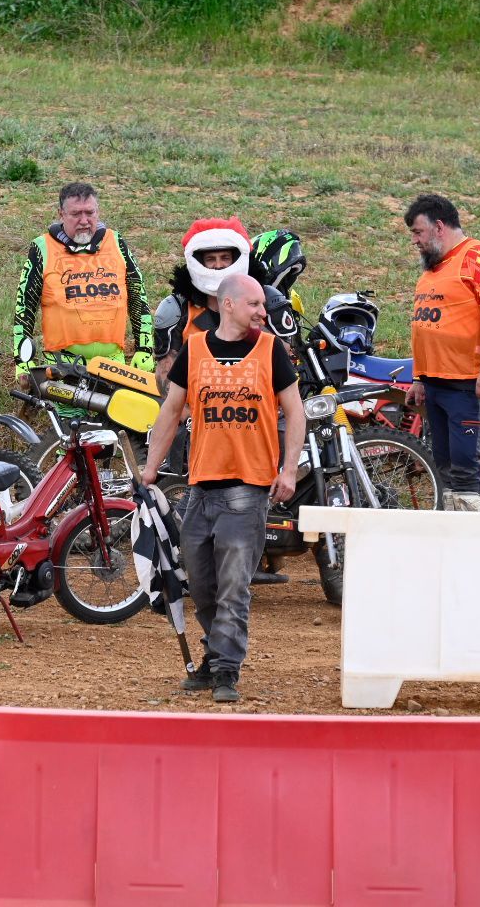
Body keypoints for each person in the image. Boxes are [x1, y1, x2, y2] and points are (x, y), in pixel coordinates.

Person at [142, 274, 306, 704]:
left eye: (262, 305)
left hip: (248, 489)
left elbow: (296, 412)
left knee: (234, 586)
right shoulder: (194, 349)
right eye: (254, 304)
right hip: (201, 487)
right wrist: (150, 470)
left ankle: (225, 669)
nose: (262, 312)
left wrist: (289, 470)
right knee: (201, 585)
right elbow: (171, 411)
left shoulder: (270, 350)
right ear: (228, 304)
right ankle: (216, 654)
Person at [402, 193, 480, 512]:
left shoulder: (477, 257)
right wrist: (419, 378)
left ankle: (471, 528)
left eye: (418, 232)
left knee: (465, 467)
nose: (414, 240)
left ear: (439, 227)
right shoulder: (432, 270)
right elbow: (423, 329)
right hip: (434, 384)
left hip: (466, 384)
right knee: (443, 467)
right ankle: (449, 526)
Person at [11, 182, 154, 390]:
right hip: (62, 367)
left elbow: (138, 297)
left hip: (114, 366)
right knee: (63, 414)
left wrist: (145, 349)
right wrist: (22, 360)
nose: (84, 221)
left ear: (98, 211)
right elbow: (24, 307)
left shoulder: (116, 242)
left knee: (119, 413)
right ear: (61, 214)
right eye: (76, 214)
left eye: (90, 212)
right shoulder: (42, 247)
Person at [153, 218, 299, 387]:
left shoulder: (266, 300)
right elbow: (164, 376)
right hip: (197, 398)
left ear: (236, 259)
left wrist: (248, 323)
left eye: (225, 258)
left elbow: (289, 363)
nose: (218, 265)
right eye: (210, 259)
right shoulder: (177, 309)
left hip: (259, 396)